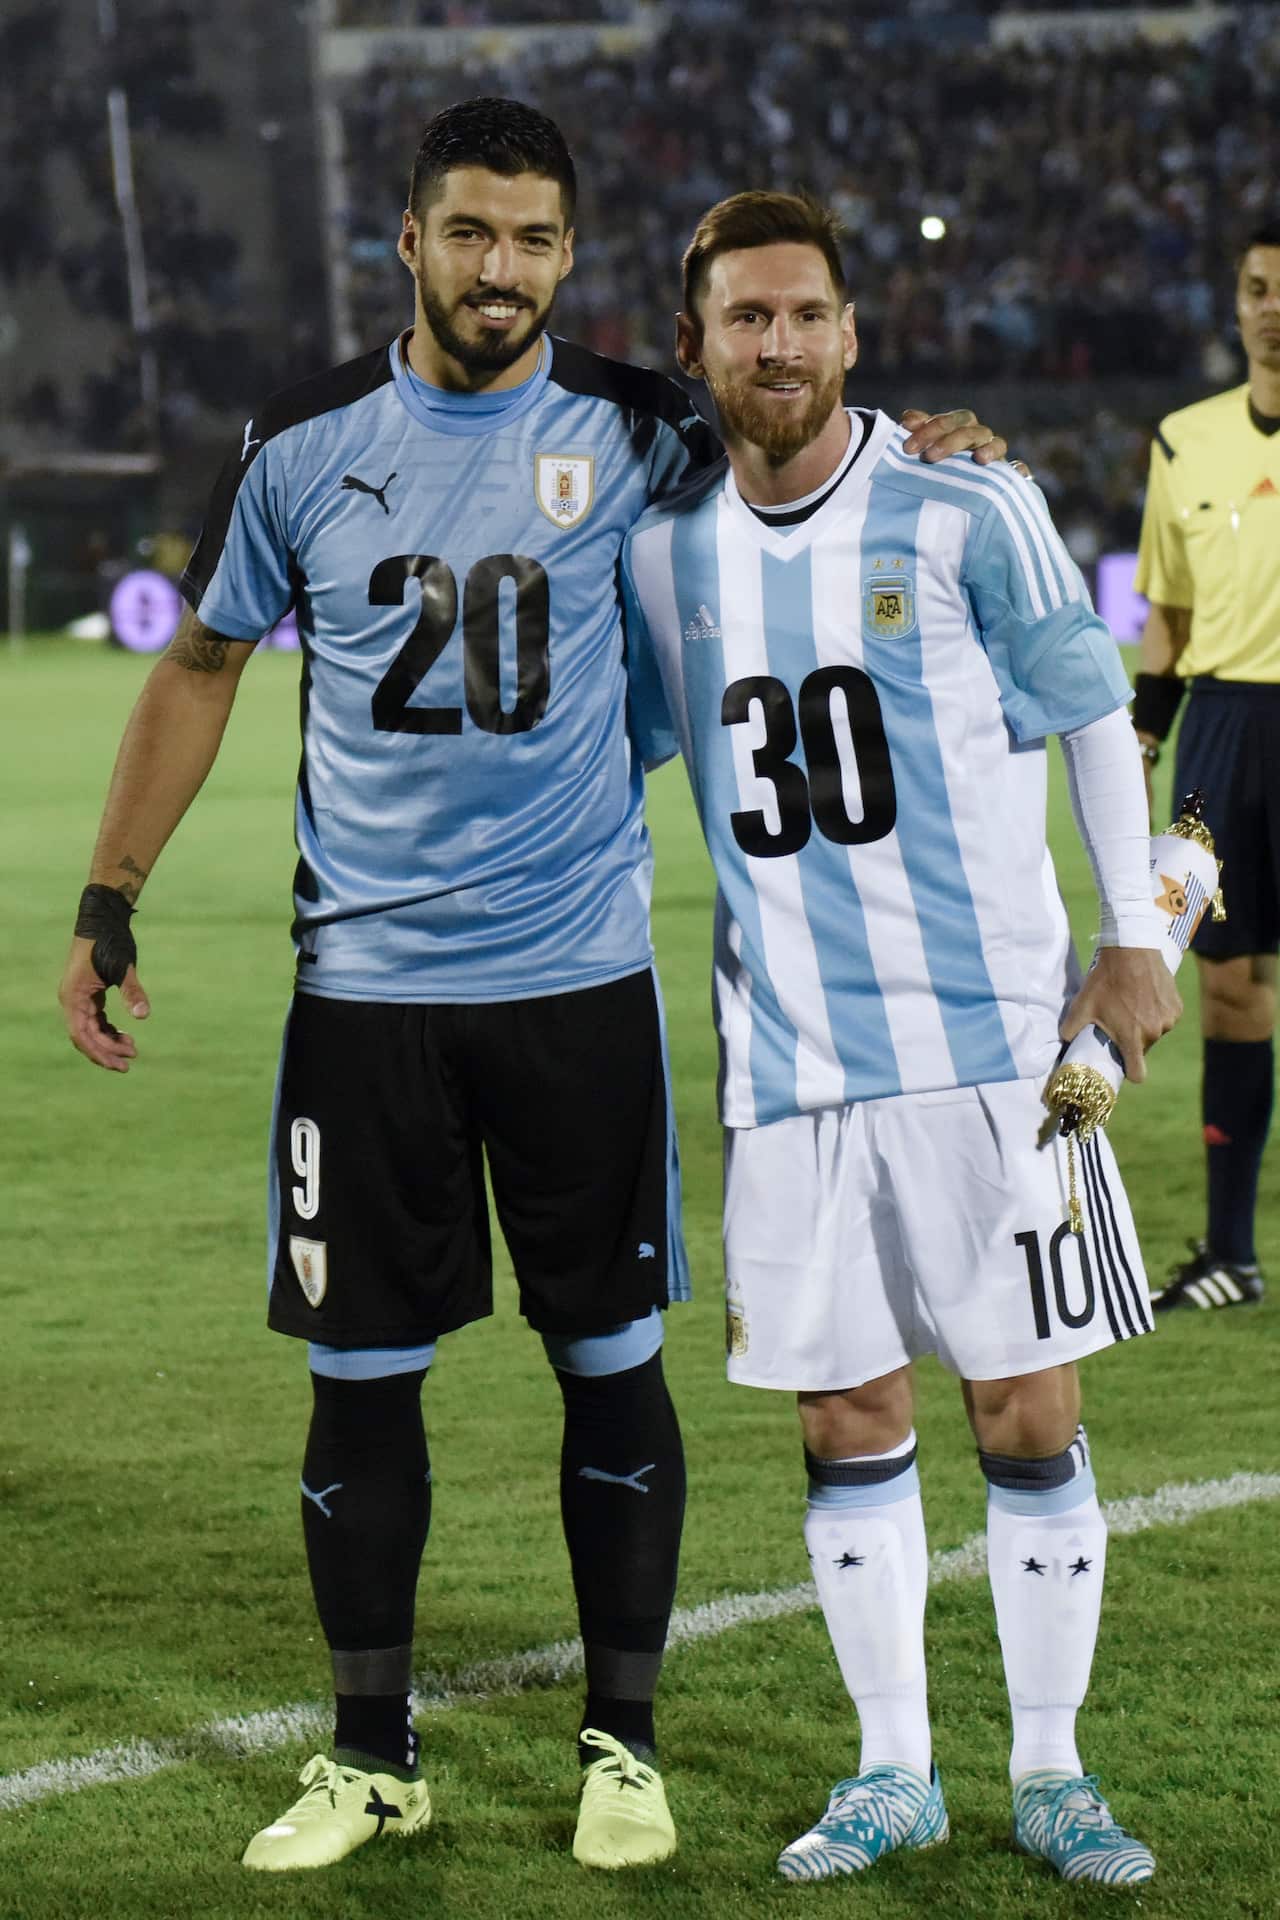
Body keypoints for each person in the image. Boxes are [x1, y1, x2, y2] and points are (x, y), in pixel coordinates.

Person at [58, 99, 1009, 1877]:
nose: (502, 270)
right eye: (471, 234)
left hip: (576, 987)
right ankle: (368, 1756)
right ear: (407, 243)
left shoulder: (643, 429)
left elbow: (807, 444)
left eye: (536, 241)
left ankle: (622, 1744)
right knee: (360, 1380)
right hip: (365, 996)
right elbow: (198, 667)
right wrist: (111, 897)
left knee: (611, 1366)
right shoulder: (298, 443)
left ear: (573, 260)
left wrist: (928, 439)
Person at [621, 191, 1181, 1890]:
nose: (777, 343)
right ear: (698, 343)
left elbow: (1087, 707)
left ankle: (1052, 1772)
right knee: (846, 1417)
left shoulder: (965, 500)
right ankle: (893, 1772)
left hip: (997, 1048)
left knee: (1024, 1406)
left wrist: (1135, 940)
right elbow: (624, 741)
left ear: (851, 333)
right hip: (789, 1064)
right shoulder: (662, 551)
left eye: (805, 314)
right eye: (744, 319)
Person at [1134, 220, 1280, 1314]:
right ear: (1233, 305)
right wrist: (1139, 741)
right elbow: (1166, 618)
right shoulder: (1181, 440)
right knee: (1229, 986)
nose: (1270, 306)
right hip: (1221, 729)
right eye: (1254, 287)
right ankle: (1229, 1251)